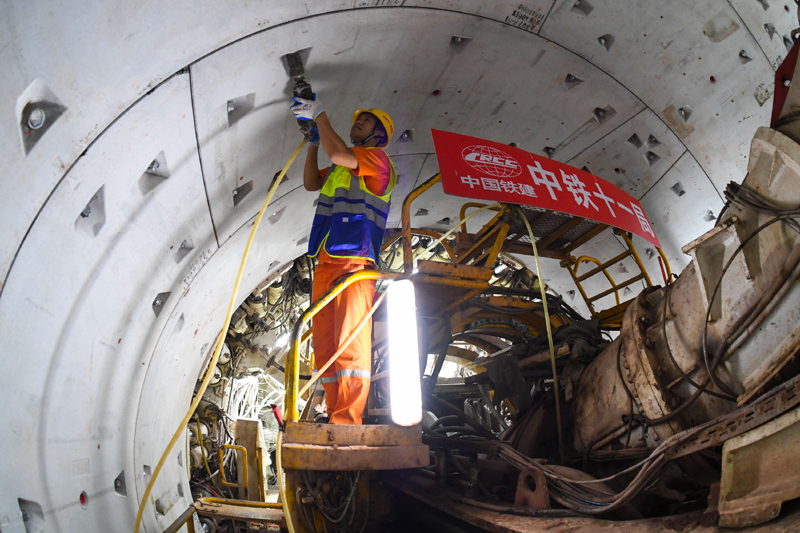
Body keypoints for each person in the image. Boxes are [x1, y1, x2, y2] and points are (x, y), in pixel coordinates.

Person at [291, 94, 396, 425]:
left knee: (350, 349)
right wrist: (312, 142)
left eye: (365, 121)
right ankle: (333, 413)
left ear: (378, 135)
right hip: (326, 264)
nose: (357, 123)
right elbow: (311, 182)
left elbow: (338, 151)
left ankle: (347, 422)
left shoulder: (378, 162)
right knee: (324, 349)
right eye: (357, 119)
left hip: (355, 268)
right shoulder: (341, 168)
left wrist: (319, 114)